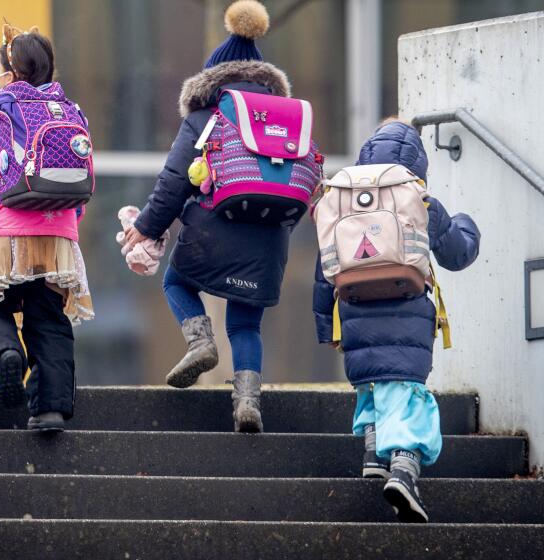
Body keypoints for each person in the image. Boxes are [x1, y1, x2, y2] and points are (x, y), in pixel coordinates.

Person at [124, 0, 316, 432]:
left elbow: (176, 180)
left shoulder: (206, 114)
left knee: (175, 281)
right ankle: (247, 401)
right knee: (247, 322)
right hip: (270, 236)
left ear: (213, 77)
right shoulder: (285, 119)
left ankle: (200, 343)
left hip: (214, 226)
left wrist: (146, 227)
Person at [312, 119, 481, 522]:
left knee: (371, 381)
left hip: (352, 309)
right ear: (418, 163)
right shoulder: (419, 199)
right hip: (407, 308)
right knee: (406, 391)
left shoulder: (341, 197)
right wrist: (466, 225)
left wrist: (325, 327)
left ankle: (373, 452)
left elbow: (322, 270)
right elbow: (457, 254)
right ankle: (403, 471)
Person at [0, 23, 93, 433]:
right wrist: (67, 227)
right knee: (49, 322)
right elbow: (80, 181)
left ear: (8, 74)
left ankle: (7, 352)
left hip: (3, 237)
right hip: (59, 240)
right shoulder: (72, 113)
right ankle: (50, 410)